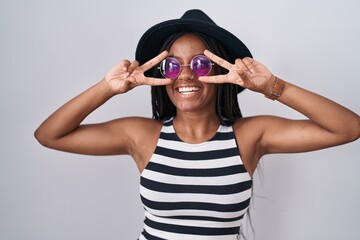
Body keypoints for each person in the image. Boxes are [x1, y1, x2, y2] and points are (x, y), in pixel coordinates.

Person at [34, 9, 360, 240]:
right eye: (173, 65)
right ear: (163, 75)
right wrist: (107, 87)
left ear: (222, 74)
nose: (187, 75)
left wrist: (273, 86)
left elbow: (347, 127)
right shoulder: (141, 136)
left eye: (201, 64)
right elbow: (49, 135)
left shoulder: (250, 136)